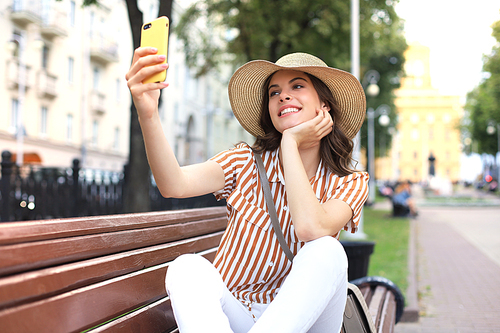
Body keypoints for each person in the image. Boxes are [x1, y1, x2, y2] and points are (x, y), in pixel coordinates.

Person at [126, 50, 369, 333]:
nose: (283, 96)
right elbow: (174, 184)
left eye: (298, 86)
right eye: (274, 92)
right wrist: (148, 114)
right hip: (236, 317)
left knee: (328, 249)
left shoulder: (349, 182)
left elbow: (311, 229)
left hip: (305, 324)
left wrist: (290, 144)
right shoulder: (244, 163)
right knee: (186, 268)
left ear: (325, 105)